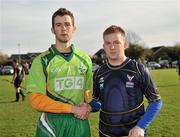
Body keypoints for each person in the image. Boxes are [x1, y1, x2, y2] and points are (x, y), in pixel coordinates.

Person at [26, 8, 92, 137]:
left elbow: (88, 94)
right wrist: (72, 109)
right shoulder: (42, 61)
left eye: (67, 24)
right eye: (58, 25)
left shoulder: (85, 60)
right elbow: (36, 100)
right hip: (51, 124)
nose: (64, 28)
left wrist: (88, 106)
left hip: (79, 123)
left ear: (74, 28)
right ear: (52, 30)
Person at [88, 25, 162, 137]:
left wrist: (141, 126)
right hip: (105, 133)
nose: (112, 47)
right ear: (104, 46)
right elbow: (98, 101)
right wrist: (89, 106)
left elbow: (156, 101)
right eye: (108, 43)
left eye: (116, 42)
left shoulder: (138, 69)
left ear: (125, 44)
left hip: (132, 133)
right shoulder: (98, 73)